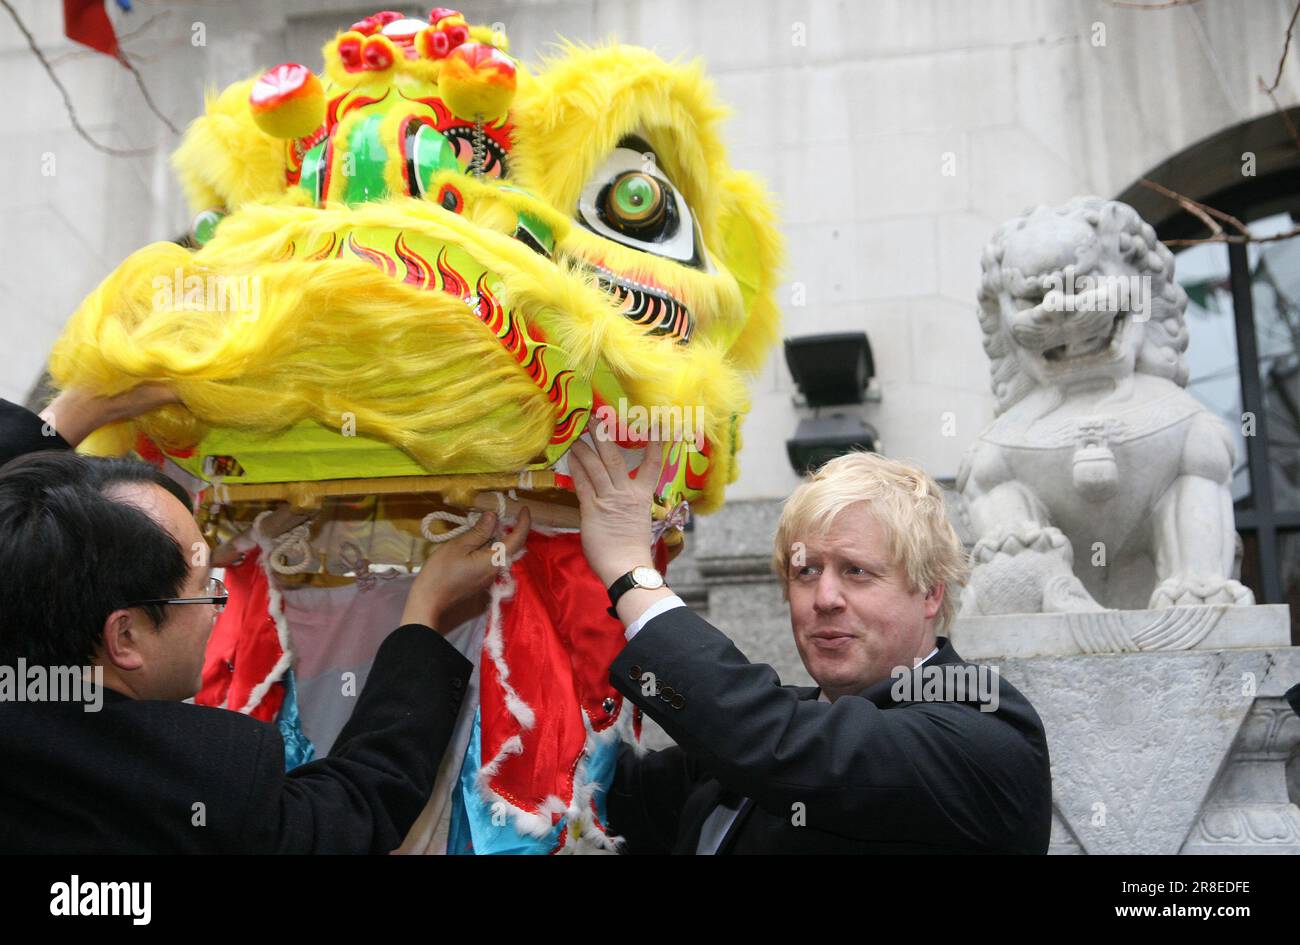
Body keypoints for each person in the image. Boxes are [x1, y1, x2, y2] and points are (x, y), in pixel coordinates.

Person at [0, 388, 529, 853]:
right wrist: (424, 611)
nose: (219, 602)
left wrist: (78, 408)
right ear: (125, 636)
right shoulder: (184, 784)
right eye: (206, 588)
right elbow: (356, 808)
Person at [567, 418, 1052, 853]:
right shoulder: (744, 746)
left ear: (929, 594)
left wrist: (633, 575)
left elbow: (777, 743)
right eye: (805, 572)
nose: (825, 598)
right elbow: (583, 789)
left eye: (857, 571)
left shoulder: (986, 726)